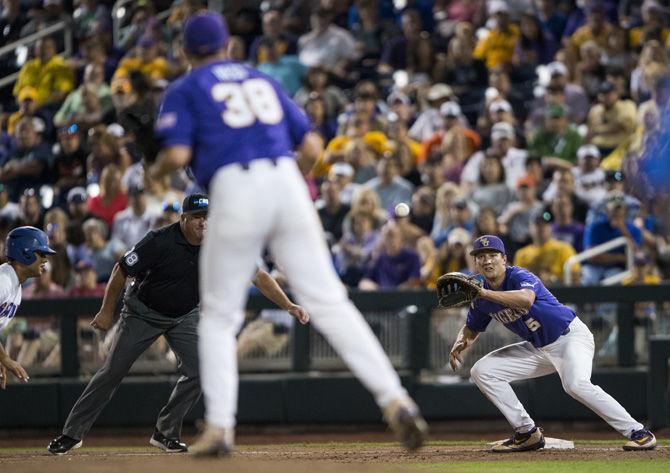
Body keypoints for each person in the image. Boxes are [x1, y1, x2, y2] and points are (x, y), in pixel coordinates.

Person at [149, 11, 427, 457]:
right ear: (227, 47)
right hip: (288, 183)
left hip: (234, 187)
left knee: (220, 318)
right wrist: (280, 185)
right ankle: (396, 398)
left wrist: (155, 169)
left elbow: (178, 152)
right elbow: (314, 148)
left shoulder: (185, 88)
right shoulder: (260, 79)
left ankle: (220, 427)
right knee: (331, 302)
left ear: (185, 51)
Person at [47, 194, 310, 455]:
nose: (203, 223)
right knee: (112, 371)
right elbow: (121, 270)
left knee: (200, 368)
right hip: (143, 313)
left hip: (184, 315)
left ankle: (165, 432)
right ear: (183, 218)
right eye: (197, 217)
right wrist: (106, 312)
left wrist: (289, 305)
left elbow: (259, 276)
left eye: (207, 217)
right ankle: (72, 433)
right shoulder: (159, 240)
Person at [448, 235, 657, 452]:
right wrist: (461, 341)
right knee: (482, 370)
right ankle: (526, 432)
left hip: (570, 338)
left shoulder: (518, 275)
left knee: (575, 385)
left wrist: (483, 293)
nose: (487, 261)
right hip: (538, 349)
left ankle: (638, 432)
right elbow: (472, 328)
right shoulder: (480, 296)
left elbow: (526, 299)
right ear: (475, 263)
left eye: (492, 255)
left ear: (504, 259)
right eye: (481, 257)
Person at [0, 226, 56, 389]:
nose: (45, 260)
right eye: (42, 254)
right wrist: (4, 358)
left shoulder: (15, 285)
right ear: (25, 253)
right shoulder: (4, 280)